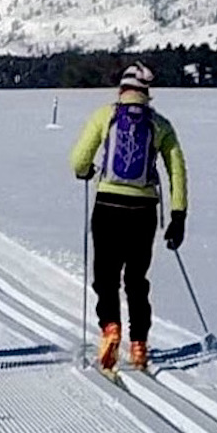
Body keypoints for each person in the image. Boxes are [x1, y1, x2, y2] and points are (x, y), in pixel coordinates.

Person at [68, 62, 188, 372]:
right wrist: (178, 214)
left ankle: (110, 329)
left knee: (106, 276)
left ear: (121, 90)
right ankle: (139, 345)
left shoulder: (104, 115)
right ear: (147, 94)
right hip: (143, 210)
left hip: (108, 205)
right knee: (136, 279)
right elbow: (177, 169)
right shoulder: (160, 124)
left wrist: (86, 171)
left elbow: (79, 160)